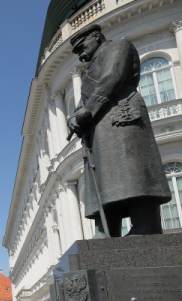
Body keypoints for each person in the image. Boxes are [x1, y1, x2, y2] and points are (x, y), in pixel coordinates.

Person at [67, 24, 171, 237]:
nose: (80, 54)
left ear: (96, 36)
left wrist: (88, 111)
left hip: (120, 113)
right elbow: (82, 100)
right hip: (98, 124)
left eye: (81, 47)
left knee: (132, 169)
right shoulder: (88, 71)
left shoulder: (118, 47)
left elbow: (112, 77)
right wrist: (74, 118)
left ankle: (146, 225)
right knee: (105, 175)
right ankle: (106, 228)